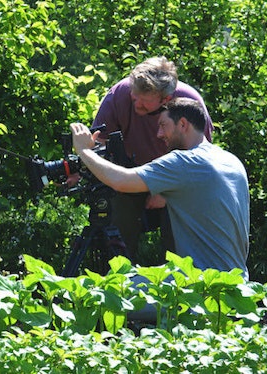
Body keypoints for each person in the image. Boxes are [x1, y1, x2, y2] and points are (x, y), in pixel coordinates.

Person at [70, 98, 249, 278]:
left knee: (112, 287)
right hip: (237, 281)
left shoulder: (184, 162)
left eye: (163, 125)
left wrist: (84, 150)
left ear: (183, 124)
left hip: (201, 282)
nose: (159, 134)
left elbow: (121, 181)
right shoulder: (230, 161)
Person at [91, 56, 214, 263]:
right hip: (130, 171)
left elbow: (202, 158)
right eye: (134, 96)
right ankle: (115, 275)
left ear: (166, 99)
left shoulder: (190, 103)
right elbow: (97, 141)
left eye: (143, 100)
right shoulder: (120, 93)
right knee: (118, 225)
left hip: (178, 177)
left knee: (179, 235)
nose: (136, 102)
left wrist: (165, 192)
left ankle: (178, 278)